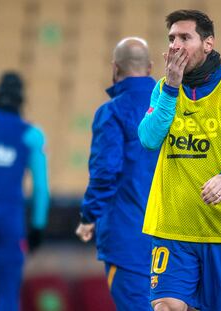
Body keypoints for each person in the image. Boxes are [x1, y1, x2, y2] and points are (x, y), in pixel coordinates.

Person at [138, 10, 221, 311]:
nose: (176, 46)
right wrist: (171, 88)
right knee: (165, 306)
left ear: (208, 43)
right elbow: (148, 138)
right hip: (174, 225)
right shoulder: (162, 88)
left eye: (185, 37)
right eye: (171, 39)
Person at [76, 37, 158, 311]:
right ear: (150, 68)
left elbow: (105, 172)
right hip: (178, 241)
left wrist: (89, 216)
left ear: (115, 67)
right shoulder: (178, 109)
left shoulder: (112, 112)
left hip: (129, 238)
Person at [0, 72, 50, 311]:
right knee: (7, 294)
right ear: (21, 101)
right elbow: (40, 188)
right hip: (8, 224)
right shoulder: (31, 134)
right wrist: (37, 227)